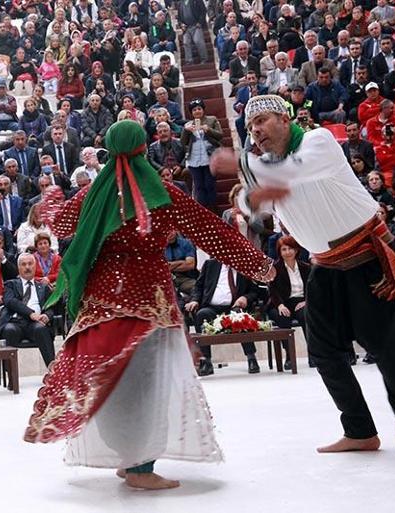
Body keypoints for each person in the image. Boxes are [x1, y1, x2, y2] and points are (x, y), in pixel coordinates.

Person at [24, 120, 273, 489]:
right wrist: (257, 264)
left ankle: (129, 459)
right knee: (148, 381)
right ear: (142, 148)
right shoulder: (162, 191)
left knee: (112, 378)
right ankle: (141, 468)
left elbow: (59, 226)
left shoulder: (92, 192)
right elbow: (210, 231)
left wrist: (51, 199)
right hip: (148, 298)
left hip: (102, 299)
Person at [211, 94, 395, 452]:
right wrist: (254, 196)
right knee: (323, 352)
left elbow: (293, 172)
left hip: (367, 256)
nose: (255, 132)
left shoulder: (317, 140)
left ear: (282, 117)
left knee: (391, 346)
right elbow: (247, 202)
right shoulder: (269, 165)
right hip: (324, 266)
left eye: (260, 122)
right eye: (249, 129)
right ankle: (359, 430)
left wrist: (244, 164)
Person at [0, 253, 55, 366]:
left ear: (35, 266)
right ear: (19, 267)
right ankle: (11, 376)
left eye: (30, 264)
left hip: (35, 324)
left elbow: (51, 307)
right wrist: (30, 313)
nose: (27, 267)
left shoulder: (43, 287)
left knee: (41, 329)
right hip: (14, 322)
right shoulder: (11, 284)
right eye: (24, 264)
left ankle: (53, 371)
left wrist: (47, 316)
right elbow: (10, 301)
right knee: (9, 330)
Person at [266, 235, 310, 369]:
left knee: (306, 314)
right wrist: (280, 305)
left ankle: (313, 354)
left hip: (301, 302)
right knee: (282, 317)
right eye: (283, 249)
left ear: (296, 250)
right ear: (279, 252)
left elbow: (313, 288)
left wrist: (307, 301)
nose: (287, 252)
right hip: (281, 302)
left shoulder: (306, 267)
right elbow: (272, 290)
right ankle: (289, 356)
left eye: (290, 248)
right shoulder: (275, 268)